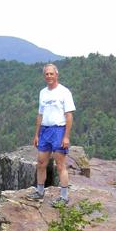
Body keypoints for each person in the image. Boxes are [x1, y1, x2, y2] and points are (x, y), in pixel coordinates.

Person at [27, 63, 76, 207]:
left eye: (51, 74)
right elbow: (40, 115)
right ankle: (40, 191)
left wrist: (66, 137)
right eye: (46, 74)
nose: (49, 76)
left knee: (60, 165)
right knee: (41, 163)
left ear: (56, 75)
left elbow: (69, 116)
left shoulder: (64, 92)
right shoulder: (43, 92)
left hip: (59, 130)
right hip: (45, 131)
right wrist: (37, 134)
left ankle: (64, 197)